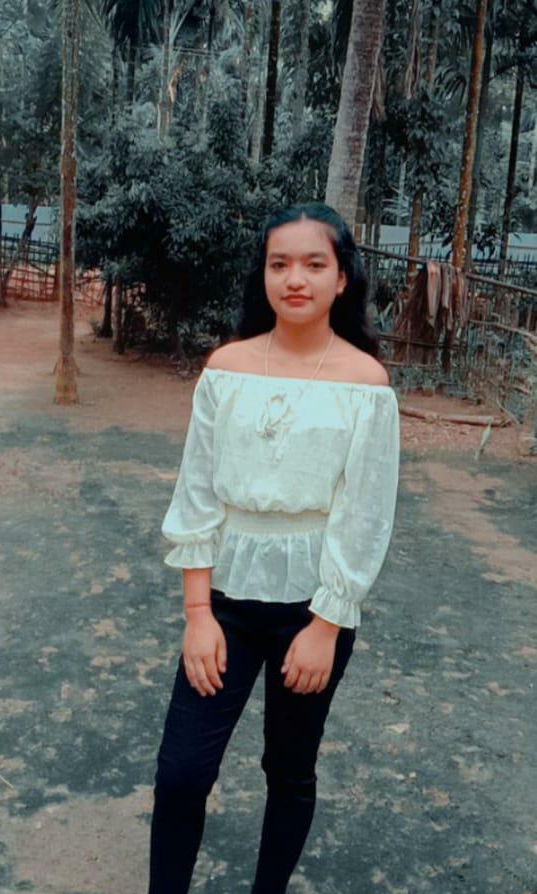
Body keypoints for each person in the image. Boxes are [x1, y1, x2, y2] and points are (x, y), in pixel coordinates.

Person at [148, 201, 400, 894]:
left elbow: (364, 514)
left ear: (342, 278)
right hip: (225, 603)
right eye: (279, 263)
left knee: (288, 770)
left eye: (315, 264)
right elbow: (198, 494)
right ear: (262, 274)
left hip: (311, 610)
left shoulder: (365, 383)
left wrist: (327, 624)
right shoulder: (226, 368)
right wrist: (198, 614)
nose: (295, 279)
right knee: (181, 773)